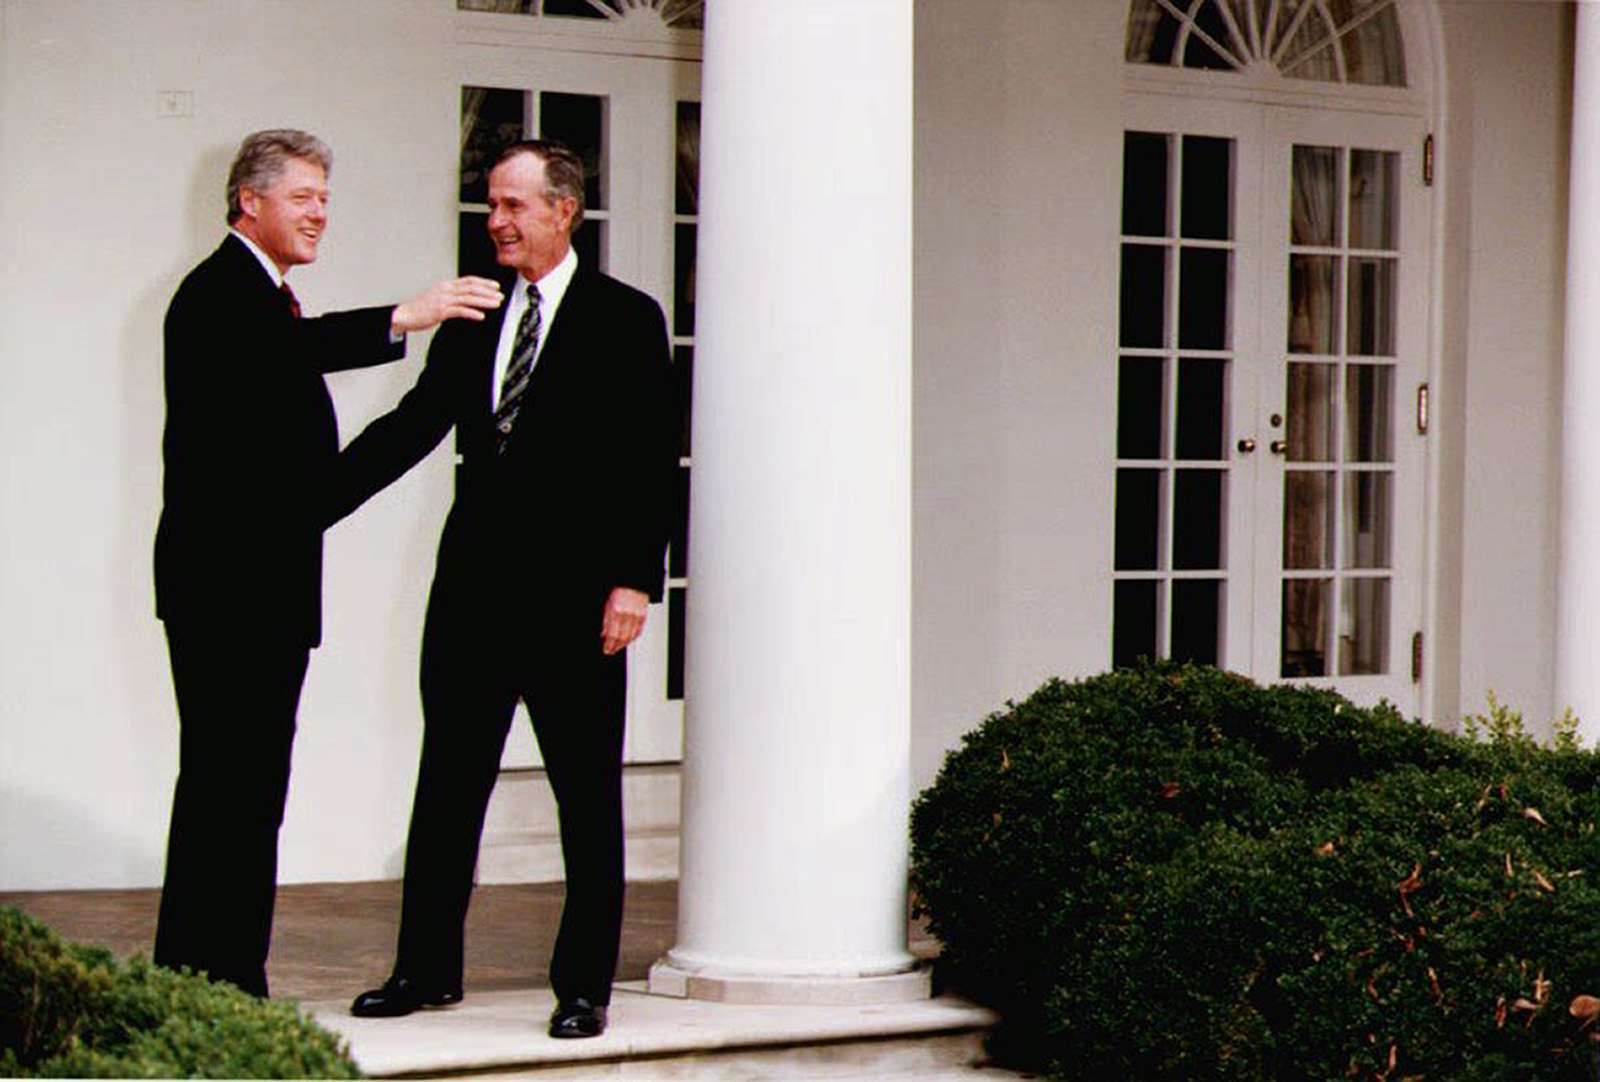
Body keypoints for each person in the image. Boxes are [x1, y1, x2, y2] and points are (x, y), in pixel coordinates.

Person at [333, 140, 677, 1039]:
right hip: (473, 596)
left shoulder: (626, 318)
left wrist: (636, 581)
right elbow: (415, 423)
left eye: (515, 206)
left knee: (585, 795)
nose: (497, 222)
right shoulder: (472, 313)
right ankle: (424, 971)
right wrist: (312, 502)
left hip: (577, 603)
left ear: (565, 211)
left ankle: (583, 986)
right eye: (491, 205)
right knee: (446, 783)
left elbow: (650, 460)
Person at [153, 128, 503, 998]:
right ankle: (212, 984)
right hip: (227, 593)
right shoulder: (219, 294)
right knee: (229, 797)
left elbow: (303, 485)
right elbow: (277, 357)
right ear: (250, 201)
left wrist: (426, 417)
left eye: (324, 199)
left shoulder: (267, 300)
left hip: (260, 584)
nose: (320, 215)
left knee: (242, 797)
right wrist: (403, 316)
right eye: (305, 198)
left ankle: (219, 979)